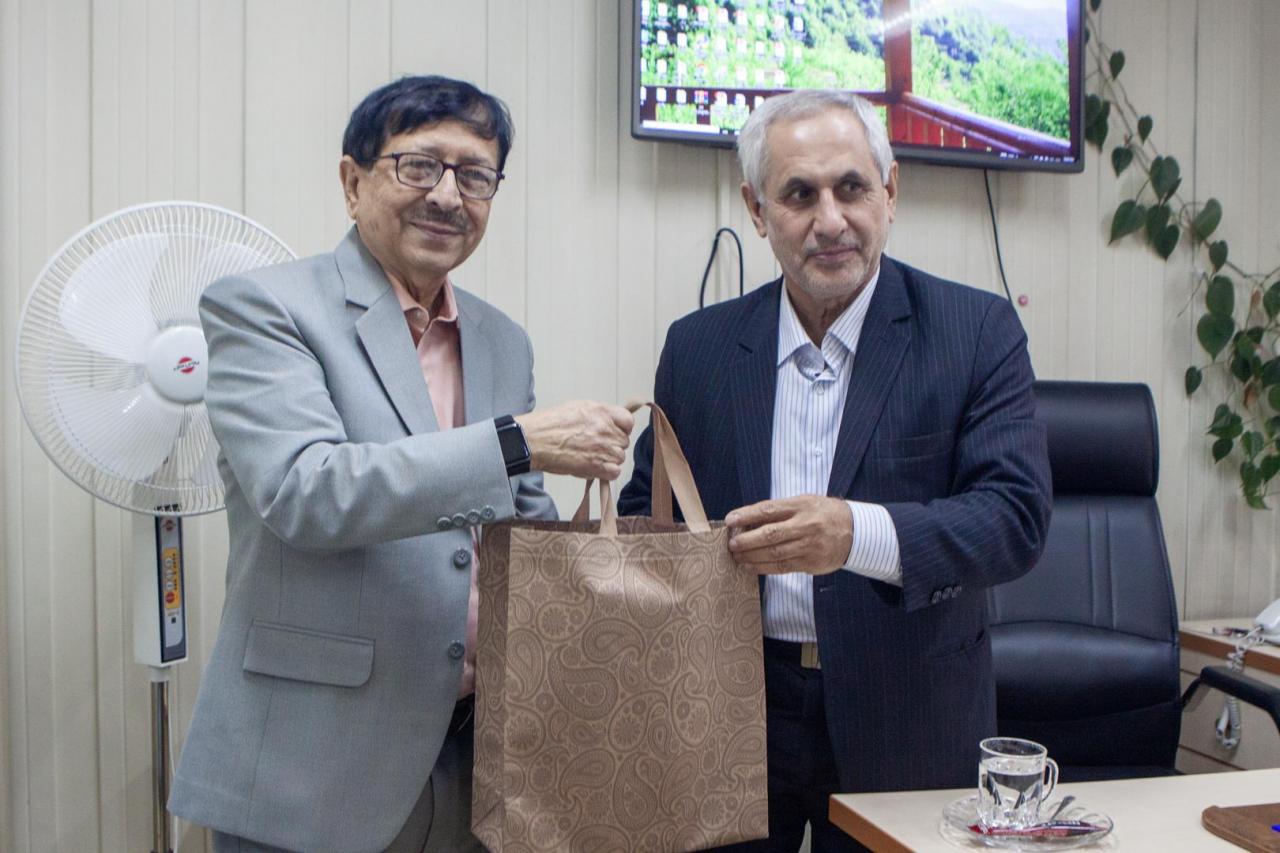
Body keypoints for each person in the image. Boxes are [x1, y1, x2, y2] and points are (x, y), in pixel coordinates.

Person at [169, 75, 633, 853]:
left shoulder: (501, 339)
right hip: (313, 763)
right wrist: (518, 440)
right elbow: (305, 490)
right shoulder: (264, 307)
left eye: (475, 175)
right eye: (419, 166)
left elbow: (518, 525)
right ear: (352, 183)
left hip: (478, 754)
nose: (448, 196)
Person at [619, 90, 1052, 852]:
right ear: (757, 211)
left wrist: (855, 534)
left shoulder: (975, 331)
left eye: (851, 187)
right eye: (799, 194)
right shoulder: (697, 348)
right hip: (730, 705)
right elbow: (647, 517)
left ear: (890, 194)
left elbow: (1014, 518)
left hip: (909, 707)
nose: (830, 220)